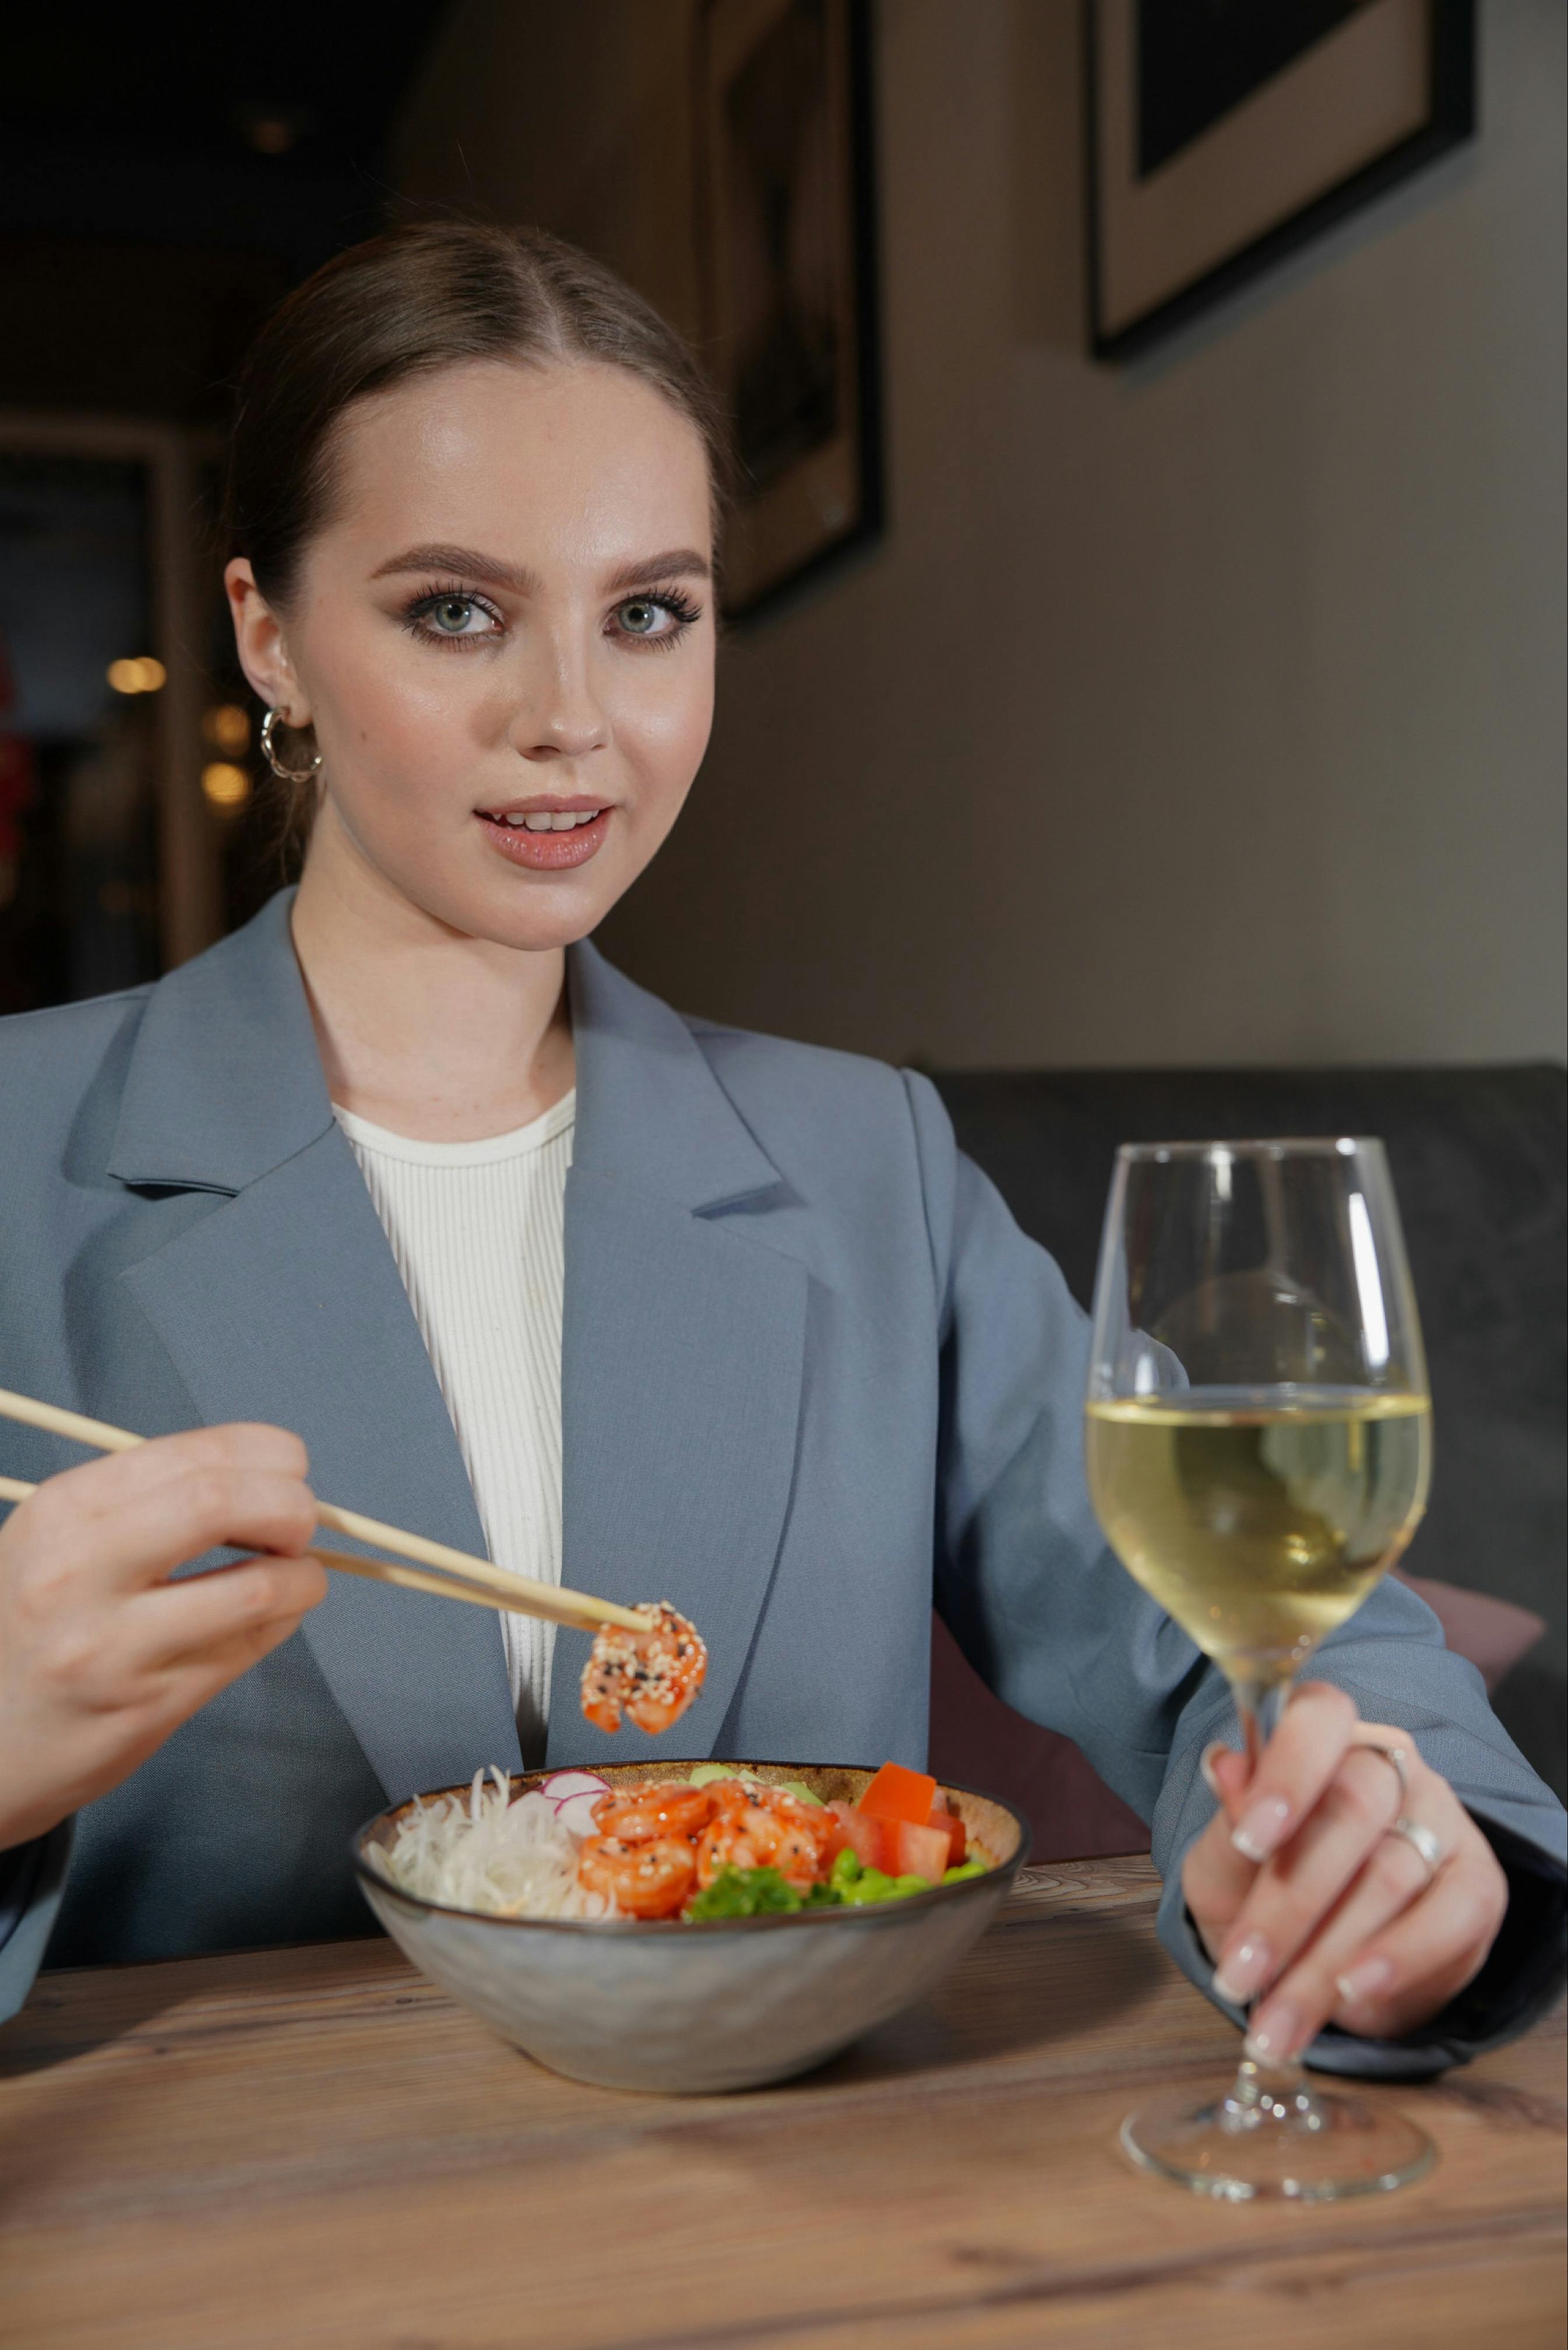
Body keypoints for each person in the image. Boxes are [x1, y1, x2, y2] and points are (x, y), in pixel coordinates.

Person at [0, 224, 1561, 2071]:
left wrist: (1394, 1837)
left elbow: (1265, 1630)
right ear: (269, 631)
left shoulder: (863, 1161)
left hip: (814, 2207)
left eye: (648, 612)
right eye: (455, 611)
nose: (571, 716)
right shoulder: (28, 1152)